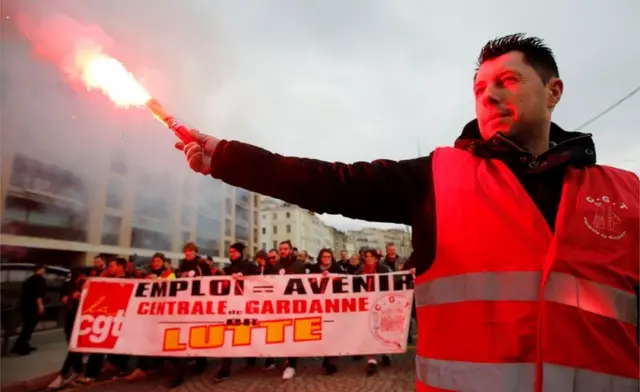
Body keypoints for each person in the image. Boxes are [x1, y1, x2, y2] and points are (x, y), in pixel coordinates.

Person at [175, 33, 639, 391]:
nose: (489, 96)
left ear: (554, 91)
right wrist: (228, 157)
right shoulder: (436, 177)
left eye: (509, 81)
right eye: (479, 88)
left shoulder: (625, 192)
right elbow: (330, 182)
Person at [11, 264, 46, 355]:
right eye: (43, 269)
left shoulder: (29, 280)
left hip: (26, 306)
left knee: (27, 327)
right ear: (40, 269)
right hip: (33, 307)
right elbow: (38, 294)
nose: (44, 270)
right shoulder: (39, 280)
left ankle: (21, 344)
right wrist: (41, 306)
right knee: (29, 327)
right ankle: (21, 346)